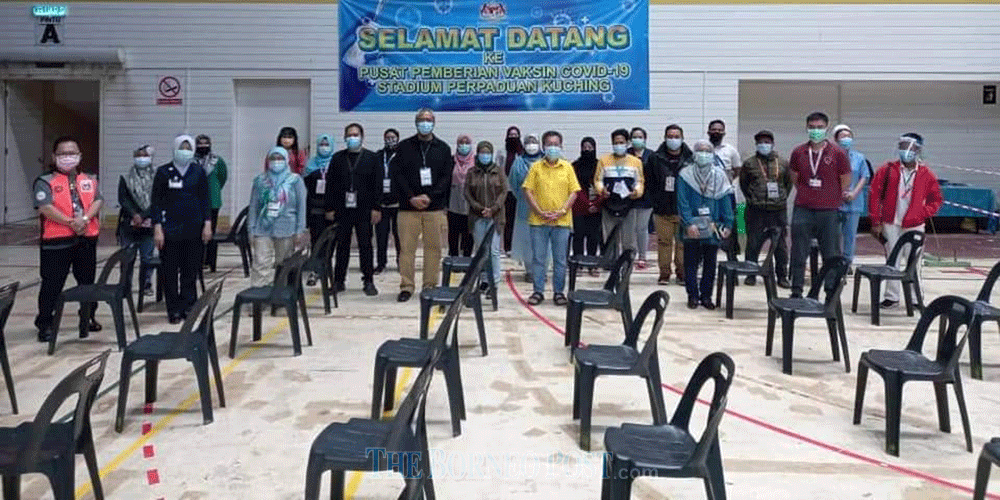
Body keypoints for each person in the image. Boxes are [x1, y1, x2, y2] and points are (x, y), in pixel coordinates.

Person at [33, 135, 103, 342]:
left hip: (86, 238)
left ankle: (88, 318)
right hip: (57, 241)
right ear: (54, 157)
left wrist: (84, 219)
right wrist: (70, 222)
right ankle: (45, 323)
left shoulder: (89, 179)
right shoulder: (45, 181)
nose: (68, 157)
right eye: (63, 153)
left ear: (79, 156)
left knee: (87, 282)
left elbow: (98, 201)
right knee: (52, 284)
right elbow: (45, 207)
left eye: (72, 153)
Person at [868, 133, 942, 308]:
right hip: (890, 222)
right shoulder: (887, 169)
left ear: (918, 149)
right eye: (901, 146)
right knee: (892, 260)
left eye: (909, 147)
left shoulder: (926, 174)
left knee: (913, 261)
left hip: (914, 224)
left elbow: (936, 199)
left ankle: (915, 297)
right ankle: (892, 296)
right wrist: (875, 220)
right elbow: (874, 196)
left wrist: (923, 213)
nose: (904, 150)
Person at [788, 112, 851, 298]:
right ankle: (796, 290)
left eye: (819, 127)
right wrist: (809, 193)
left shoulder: (837, 153)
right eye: (812, 127)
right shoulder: (798, 152)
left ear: (826, 128)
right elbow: (795, 178)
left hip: (829, 210)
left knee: (830, 253)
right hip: (803, 208)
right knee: (799, 251)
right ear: (807, 128)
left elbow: (845, 180)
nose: (816, 131)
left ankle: (830, 290)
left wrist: (828, 195)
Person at [392, 108, 453, 302]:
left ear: (434, 122)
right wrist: (411, 197)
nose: (424, 123)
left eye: (428, 120)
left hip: (433, 209)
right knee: (406, 249)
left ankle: (429, 285)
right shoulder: (403, 147)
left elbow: (445, 178)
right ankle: (407, 286)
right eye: (421, 120)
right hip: (408, 208)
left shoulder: (443, 148)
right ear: (415, 122)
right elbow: (398, 175)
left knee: (433, 249)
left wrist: (429, 197)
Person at [151, 134, 212, 324]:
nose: (184, 151)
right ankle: (174, 309)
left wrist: (207, 223)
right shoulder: (163, 172)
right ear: (174, 148)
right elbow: (156, 202)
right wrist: (157, 227)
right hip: (170, 229)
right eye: (181, 147)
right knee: (169, 271)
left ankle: (188, 307)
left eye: (188, 148)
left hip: (194, 228)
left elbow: (205, 199)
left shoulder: (198, 171)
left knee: (190, 270)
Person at [522, 131, 580, 306]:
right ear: (543, 147)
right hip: (538, 222)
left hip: (561, 222)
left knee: (560, 260)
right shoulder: (536, 167)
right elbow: (527, 191)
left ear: (561, 146)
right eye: (549, 144)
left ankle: (558, 292)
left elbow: (574, 192)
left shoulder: (567, 167)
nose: (552, 148)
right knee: (539, 259)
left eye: (556, 144)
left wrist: (562, 211)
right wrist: (539, 211)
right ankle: (538, 291)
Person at [677, 139, 734, 310]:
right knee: (691, 263)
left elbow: (725, 201)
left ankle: (707, 296)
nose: (704, 154)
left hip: (714, 225)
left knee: (710, 263)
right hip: (692, 227)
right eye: (700, 150)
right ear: (694, 154)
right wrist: (688, 223)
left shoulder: (720, 175)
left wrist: (728, 224)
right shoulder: (685, 174)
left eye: (707, 151)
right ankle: (692, 296)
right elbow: (682, 201)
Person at [324, 123, 379, 296]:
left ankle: (368, 280)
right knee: (342, 246)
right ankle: (339, 281)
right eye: (349, 135)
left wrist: (376, 208)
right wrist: (329, 207)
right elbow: (330, 185)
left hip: (364, 209)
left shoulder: (372, 158)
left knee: (366, 246)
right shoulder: (337, 158)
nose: (352, 138)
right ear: (344, 137)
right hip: (342, 209)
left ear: (362, 137)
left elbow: (377, 185)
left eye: (355, 135)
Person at [739, 130, 792, 288]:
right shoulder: (749, 163)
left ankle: (782, 276)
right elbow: (744, 184)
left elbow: (788, 184)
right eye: (761, 142)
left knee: (780, 245)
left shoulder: (782, 162)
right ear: (756, 144)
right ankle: (751, 274)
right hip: (756, 210)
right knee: (753, 243)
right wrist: (754, 199)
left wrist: (780, 198)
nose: (764, 145)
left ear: (773, 144)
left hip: (778, 210)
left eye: (767, 142)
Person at [464, 141, 509, 299]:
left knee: (494, 251)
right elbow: (467, 193)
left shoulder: (499, 172)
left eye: (487, 152)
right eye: (482, 152)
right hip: (477, 217)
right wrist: (478, 207)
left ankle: (494, 283)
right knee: (481, 251)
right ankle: (484, 280)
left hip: (495, 217)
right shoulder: (471, 172)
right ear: (478, 154)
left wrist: (494, 208)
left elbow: (504, 192)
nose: (485, 155)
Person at [648, 124, 692, 286]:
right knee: (664, 242)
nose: (673, 139)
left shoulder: (690, 157)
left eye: (676, 136)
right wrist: (655, 201)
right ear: (665, 138)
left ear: (682, 138)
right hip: (662, 209)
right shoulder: (655, 158)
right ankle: (664, 274)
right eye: (670, 136)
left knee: (682, 244)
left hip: (683, 209)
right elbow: (649, 182)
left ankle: (682, 273)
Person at [594, 128, 644, 257]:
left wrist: (636, 192)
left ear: (627, 143)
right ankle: (610, 268)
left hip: (629, 206)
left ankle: (627, 268)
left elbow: (640, 181)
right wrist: (601, 190)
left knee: (629, 241)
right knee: (610, 239)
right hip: (609, 205)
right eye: (616, 143)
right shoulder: (603, 161)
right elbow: (598, 180)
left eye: (621, 142)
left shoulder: (636, 162)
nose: (619, 145)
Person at [117, 145, 157, 297]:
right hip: (129, 223)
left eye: (144, 155)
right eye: (138, 156)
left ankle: (146, 284)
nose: (141, 159)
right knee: (127, 258)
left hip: (149, 223)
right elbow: (123, 198)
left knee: (147, 257)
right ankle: (125, 286)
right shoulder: (126, 177)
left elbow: (158, 198)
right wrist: (134, 214)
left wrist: (145, 215)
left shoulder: (157, 176)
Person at [832, 124, 871, 269]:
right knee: (834, 236)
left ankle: (847, 264)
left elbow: (864, 177)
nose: (846, 139)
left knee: (850, 236)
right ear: (836, 140)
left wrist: (854, 193)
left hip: (854, 203)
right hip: (834, 203)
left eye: (848, 136)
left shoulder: (859, 158)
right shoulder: (831, 157)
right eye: (842, 136)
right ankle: (833, 262)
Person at [508, 133, 545, 281]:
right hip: (524, 208)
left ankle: (542, 270)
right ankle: (529, 270)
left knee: (544, 240)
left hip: (544, 207)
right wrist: (525, 198)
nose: (531, 145)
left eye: (534, 141)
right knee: (527, 240)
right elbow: (514, 183)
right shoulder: (518, 162)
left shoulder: (546, 160)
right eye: (528, 142)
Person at [708, 119, 744, 258]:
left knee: (730, 226)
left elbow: (737, 169)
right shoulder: (702, 148)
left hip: (726, 195)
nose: (716, 132)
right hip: (707, 195)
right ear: (708, 131)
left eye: (719, 130)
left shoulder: (730, 150)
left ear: (724, 132)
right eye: (713, 129)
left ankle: (732, 258)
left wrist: (725, 182)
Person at [194, 135, 227, 272]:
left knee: (211, 232)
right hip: (195, 202)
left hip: (213, 201)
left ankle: (210, 262)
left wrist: (215, 189)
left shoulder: (217, 161)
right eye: (200, 144)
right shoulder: (192, 161)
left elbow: (222, 177)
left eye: (205, 144)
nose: (203, 146)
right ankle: (198, 261)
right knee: (196, 233)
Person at [571, 138, 604, 268]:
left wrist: (596, 203)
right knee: (578, 235)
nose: (587, 150)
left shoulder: (600, 165)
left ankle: (591, 262)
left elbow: (603, 185)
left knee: (593, 236)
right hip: (579, 206)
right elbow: (574, 187)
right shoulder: (575, 166)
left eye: (590, 147)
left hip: (596, 207)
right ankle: (577, 262)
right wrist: (587, 204)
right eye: (584, 147)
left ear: (595, 148)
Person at [374, 128, 401, 274]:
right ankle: (381, 263)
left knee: (400, 236)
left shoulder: (402, 155)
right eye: (388, 137)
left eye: (393, 137)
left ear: (398, 138)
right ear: (384, 139)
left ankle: (400, 262)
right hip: (382, 204)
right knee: (381, 236)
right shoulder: (378, 156)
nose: (390, 140)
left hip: (398, 204)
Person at [627, 127, 654, 269]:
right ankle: (630, 255)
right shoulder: (625, 155)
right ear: (631, 140)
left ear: (645, 139)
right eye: (635, 137)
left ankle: (642, 256)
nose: (637, 139)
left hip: (647, 197)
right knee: (630, 228)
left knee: (642, 228)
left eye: (640, 136)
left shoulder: (651, 155)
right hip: (628, 197)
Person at [303, 134, 334, 247]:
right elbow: (306, 187)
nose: (324, 147)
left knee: (330, 243)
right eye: (321, 144)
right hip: (314, 208)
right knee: (315, 242)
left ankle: (327, 264)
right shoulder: (310, 164)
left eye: (327, 145)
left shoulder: (336, 163)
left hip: (331, 210)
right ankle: (315, 264)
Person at [447, 134, 475, 257]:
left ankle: (467, 256)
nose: (464, 145)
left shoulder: (476, 160)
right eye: (461, 143)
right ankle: (453, 256)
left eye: (466, 143)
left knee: (468, 232)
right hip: (453, 201)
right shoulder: (451, 160)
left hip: (471, 202)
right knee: (453, 232)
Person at [498, 126, 523, 255]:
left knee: (520, 220)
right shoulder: (502, 152)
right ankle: (508, 247)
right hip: (507, 190)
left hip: (521, 192)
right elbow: (498, 170)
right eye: (511, 135)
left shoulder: (523, 153)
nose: (513, 137)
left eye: (515, 135)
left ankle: (520, 246)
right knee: (508, 220)